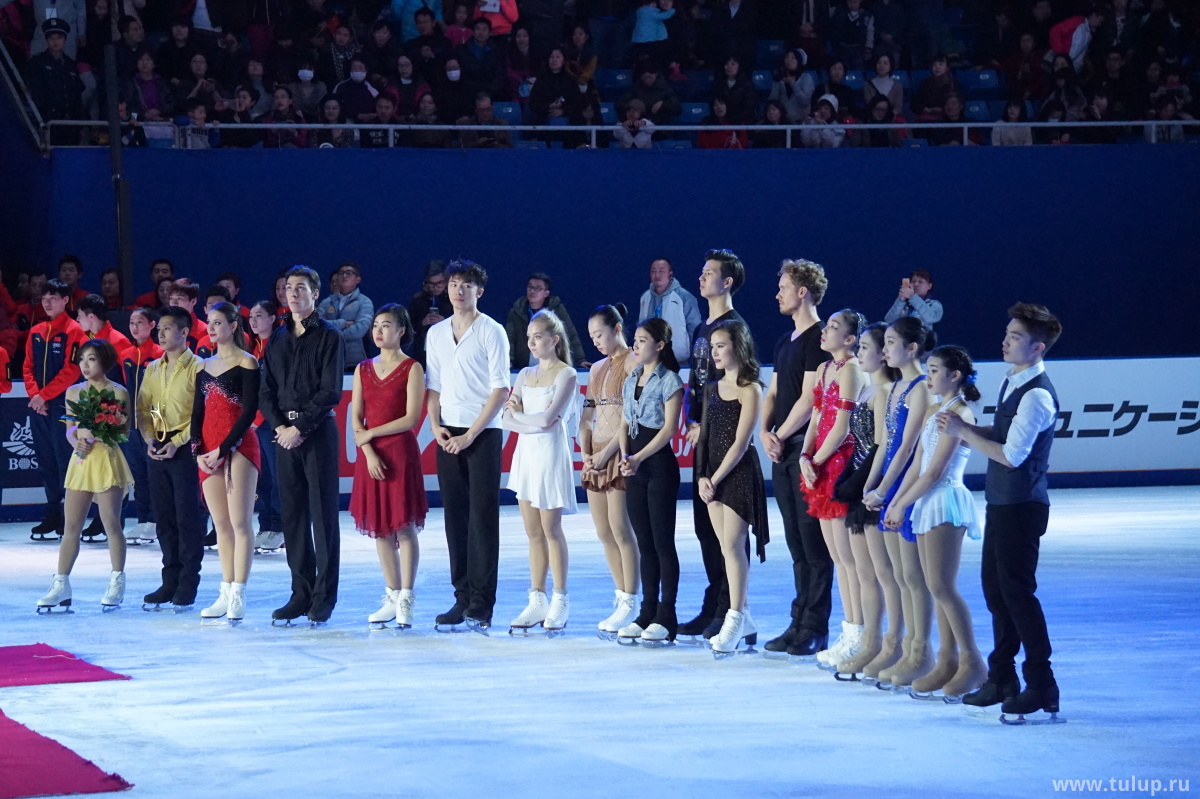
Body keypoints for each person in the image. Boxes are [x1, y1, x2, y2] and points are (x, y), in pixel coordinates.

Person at [942, 303, 1064, 720]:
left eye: (1015, 337)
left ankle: (1042, 684)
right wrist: (970, 431)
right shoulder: (1014, 380)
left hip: (1022, 506)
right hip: (1002, 502)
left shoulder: (1038, 395)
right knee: (997, 592)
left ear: (1037, 347)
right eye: (1008, 333)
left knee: (1018, 595)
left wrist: (963, 432)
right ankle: (1003, 678)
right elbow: (1003, 432)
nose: (1005, 341)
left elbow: (1012, 455)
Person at [882, 344, 986, 701]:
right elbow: (917, 465)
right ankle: (947, 660)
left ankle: (972, 661)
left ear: (955, 376)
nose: (928, 376)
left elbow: (936, 471)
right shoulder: (933, 410)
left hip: (945, 501)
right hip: (927, 502)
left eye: (934, 370)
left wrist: (902, 504)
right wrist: (895, 502)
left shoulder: (961, 413)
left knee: (942, 586)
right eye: (927, 370)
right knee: (934, 584)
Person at [425, 259, 510, 632]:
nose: (458, 290)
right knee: (455, 517)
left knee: (482, 517)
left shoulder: (492, 331)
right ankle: (461, 597)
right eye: (454, 284)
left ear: (480, 291)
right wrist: (435, 425)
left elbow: (500, 389)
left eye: (466, 285)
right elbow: (434, 385)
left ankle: (481, 603)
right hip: (447, 431)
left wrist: (471, 435)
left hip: (483, 432)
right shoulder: (436, 333)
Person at [259, 266, 346, 626]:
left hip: (317, 432)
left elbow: (331, 391)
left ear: (315, 294)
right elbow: (266, 391)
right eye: (288, 288)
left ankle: (324, 596)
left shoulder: (329, 336)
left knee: (323, 517)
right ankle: (301, 592)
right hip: (284, 435)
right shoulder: (277, 338)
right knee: (293, 516)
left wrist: (300, 427)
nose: (293, 294)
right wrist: (282, 426)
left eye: (301, 288)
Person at [759, 260, 834, 659]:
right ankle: (798, 619)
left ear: (803, 292)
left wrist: (782, 434)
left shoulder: (818, 339)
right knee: (795, 542)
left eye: (784, 287)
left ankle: (815, 626)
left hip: (806, 450)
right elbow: (773, 392)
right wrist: (764, 431)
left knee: (812, 542)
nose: (778, 294)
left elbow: (810, 398)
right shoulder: (784, 341)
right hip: (783, 448)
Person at [862, 316, 935, 690]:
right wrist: (873, 486)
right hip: (889, 484)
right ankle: (904, 648)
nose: (885, 349)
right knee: (899, 574)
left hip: (906, 485)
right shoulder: (894, 388)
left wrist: (886, 490)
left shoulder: (922, 388)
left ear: (912, 348)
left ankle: (921, 652)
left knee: (913, 575)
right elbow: (885, 444)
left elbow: (907, 448)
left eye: (891, 342)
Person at [678, 249, 747, 642]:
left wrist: (706, 425)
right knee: (706, 530)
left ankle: (731, 608)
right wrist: (692, 420)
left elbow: (738, 385)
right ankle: (714, 603)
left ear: (727, 282)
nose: (701, 277)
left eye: (709, 273)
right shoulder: (701, 329)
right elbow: (697, 383)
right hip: (701, 436)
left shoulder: (734, 327)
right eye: (701, 271)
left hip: (722, 438)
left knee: (727, 533)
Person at [36, 340, 132, 614]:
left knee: (111, 523)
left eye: (91, 359)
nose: (85, 365)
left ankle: (116, 581)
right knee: (71, 527)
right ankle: (61, 585)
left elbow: (124, 431)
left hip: (106, 459)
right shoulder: (74, 391)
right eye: (82, 359)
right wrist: (75, 440)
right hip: (81, 461)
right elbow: (70, 428)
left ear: (104, 360)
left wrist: (103, 432)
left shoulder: (118, 391)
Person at [831, 322, 903, 680]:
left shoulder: (886, 392)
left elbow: (880, 445)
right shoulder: (869, 390)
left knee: (883, 572)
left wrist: (864, 484)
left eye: (865, 348)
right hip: (860, 482)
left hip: (871, 487)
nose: (859, 353)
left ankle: (892, 644)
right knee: (863, 570)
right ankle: (868, 641)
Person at [351, 304, 428, 630]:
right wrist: (368, 450)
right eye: (376, 326)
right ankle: (392, 595)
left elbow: (411, 418)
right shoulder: (362, 369)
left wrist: (372, 433)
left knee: (404, 527)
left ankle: (407, 597)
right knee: (380, 527)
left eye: (386, 325)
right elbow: (356, 419)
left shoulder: (412, 368)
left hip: (400, 453)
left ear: (401, 331)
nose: (379, 331)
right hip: (372, 456)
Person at [502, 310, 580, 634]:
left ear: (554, 340)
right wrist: (529, 420)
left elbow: (550, 420)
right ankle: (537, 599)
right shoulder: (524, 374)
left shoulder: (567, 374)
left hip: (550, 455)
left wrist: (523, 418)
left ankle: (560, 598)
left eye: (538, 337)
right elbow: (506, 419)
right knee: (533, 532)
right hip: (526, 456)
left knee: (551, 529)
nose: (531, 343)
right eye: (529, 337)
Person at [696, 319, 767, 657]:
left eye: (721, 346)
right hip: (712, 477)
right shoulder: (712, 389)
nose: (715, 352)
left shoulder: (750, 388)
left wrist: (716, 478)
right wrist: (702, 476)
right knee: (725, 548)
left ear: (738, 347)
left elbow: (740, 443)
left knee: (735, 547)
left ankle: (735, 617)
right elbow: (705, 437)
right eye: (712, 347)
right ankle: (745, 615)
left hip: (737, 475)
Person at [802, 310, 869, 669]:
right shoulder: (824, 368)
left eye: (833, 327)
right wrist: (804, 455)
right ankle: (849, 630)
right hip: (820, 463)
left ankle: (859, 633)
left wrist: (815, 461)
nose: (824, 331)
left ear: (850, 339)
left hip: (839, 465)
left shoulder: (851, 370)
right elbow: (816, 417)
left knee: (849, 558)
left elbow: (842, 427)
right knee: (837, 558)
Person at [192, 303, 261, 625]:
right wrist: (198, 450)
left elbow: (248, 411)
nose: (211, 327)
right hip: (208, 450)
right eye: (209, 322)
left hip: (238, 446)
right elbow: (197, 413)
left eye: (218, 322)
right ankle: (225, 588)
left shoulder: (247, 362)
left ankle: (239, 592)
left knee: (240, 522)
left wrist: (224, 447)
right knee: (220, 525)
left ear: (233, 326)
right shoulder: (202, 366)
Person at [616, 318, 684, 645]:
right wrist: (624, 456)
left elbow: (669, 429)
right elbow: (624, 422)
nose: (636, 345)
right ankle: (647, 611)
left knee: (662, 543)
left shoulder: (670, 381)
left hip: (658, 468)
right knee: (644, 544)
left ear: (659, 345)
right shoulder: (631, 378)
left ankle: (666, 614)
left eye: (643, 340)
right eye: (636, 339)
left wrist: (639, 457)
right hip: (634, 468)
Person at [137, 306, 206, 611]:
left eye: (167, 328)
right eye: (159, 329)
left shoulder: (199, 367)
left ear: (184, 332)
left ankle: (188, 581)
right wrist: (150, 439)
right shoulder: (152, 368)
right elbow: (143, 408)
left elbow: (202, 414)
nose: (161, 333)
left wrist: (178, 442)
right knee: (163, 516)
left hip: (187, 447)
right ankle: (170, 580)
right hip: (157, 445)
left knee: (187, 517)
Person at [581, 303, 640, 638]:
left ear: (617, 329)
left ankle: (631, 599)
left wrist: (607, 453)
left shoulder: (633, 363)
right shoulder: (596, 368)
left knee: (620, 529)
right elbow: (587, 415)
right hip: (596, 455)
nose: (596, 342)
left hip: (618, 454)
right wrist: (586, 450)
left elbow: (630, 417)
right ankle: (620, 597)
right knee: (603, 532)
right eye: (591, 337)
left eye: (599, 334)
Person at [24, 279, 87, 541]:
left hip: (63, 405)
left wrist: (44, 395)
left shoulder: (74, 331)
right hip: (39, 407)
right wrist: (35, 396)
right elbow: (27, 366)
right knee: (45, 460)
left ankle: (68, 516)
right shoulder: (36, 330)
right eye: (44, 298)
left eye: (53, 297)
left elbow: (72, 370)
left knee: (65, 460)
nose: (47, 302)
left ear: (65, 300)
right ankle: (51, 514)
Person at [120, 307, 163, 546]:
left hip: (153, 425)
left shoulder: (159, 354)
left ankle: (155, 520)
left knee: (153, 473)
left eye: (139, 322)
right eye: (131, 322)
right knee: (138, 476)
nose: (134, 327)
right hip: (131, 426)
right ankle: (143, 519)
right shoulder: (126, 355)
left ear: (152, 325)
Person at [247, 300, 283, 551]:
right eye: (251, 316)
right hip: (253, 423)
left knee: (277, 477)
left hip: (272, 420)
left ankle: (279, 528)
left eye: (259, 316)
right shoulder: (250, 348)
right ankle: (266, 525)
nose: (253, 321)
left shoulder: (279, 346)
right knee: (263, 479)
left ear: (272, 318)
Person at [505, 272, 586, 368]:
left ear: (546, 293)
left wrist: (580, 360)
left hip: (552, 365)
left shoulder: (557, 310)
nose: (532, 291)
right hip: (524, 366)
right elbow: (510, 338)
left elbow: (571, 334)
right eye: (530, 287)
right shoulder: (516, 312)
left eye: (538, 288)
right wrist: (508, 360)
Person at [25, 19, 86, 145]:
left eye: (59, 37)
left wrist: (79, 122)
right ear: (46, 40)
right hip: (49, 122)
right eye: (51, 38)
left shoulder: (71, 64)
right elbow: (37, 93)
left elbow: (77, 95)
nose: (55, 41)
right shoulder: (38, 63)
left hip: (70, 123)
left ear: (65, 40)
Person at [636, 257, 700, 365]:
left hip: (678, 362)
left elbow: (695, 331)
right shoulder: (645, 298)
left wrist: (692, 360)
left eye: (661, 271)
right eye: (653, 271)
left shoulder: (685, 297)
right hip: (650, 362)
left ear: (670, 274)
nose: (657, 275)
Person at [317, 262, 374, 370]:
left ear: (358, 279)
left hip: (354, 361)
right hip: (328, 360)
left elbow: (360, 329)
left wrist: (331, 336)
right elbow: (317, 325)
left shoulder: (364, 302)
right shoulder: (326, 303)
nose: (344, 275)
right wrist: (343, 323)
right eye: (341, 273)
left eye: (349, 273)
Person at [408, 261, 451, 365]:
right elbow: (407, 328)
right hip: (423, 354)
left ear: (446, 281)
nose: (435, 287)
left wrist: (446, 322)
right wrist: (423, 323)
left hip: (448, 352)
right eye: (431, 283)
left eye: (439, 283)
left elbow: (465, 326)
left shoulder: (454, 300)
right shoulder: (418, 299)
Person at [769, 48, 815, 123]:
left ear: (799, 61)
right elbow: (773, 100)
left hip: (801, 122)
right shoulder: (781, 79)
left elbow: (805, 101)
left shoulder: (806, 77)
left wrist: (793, 84)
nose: (788, 60)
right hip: (783, 122)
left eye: (793, 58)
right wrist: (776, 80)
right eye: (787, 57)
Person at [168, 280, 208, 352]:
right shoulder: (165, 327)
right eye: (171, 298)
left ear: (193, 301)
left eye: (179, 298)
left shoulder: (204, 330)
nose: (174, 303)